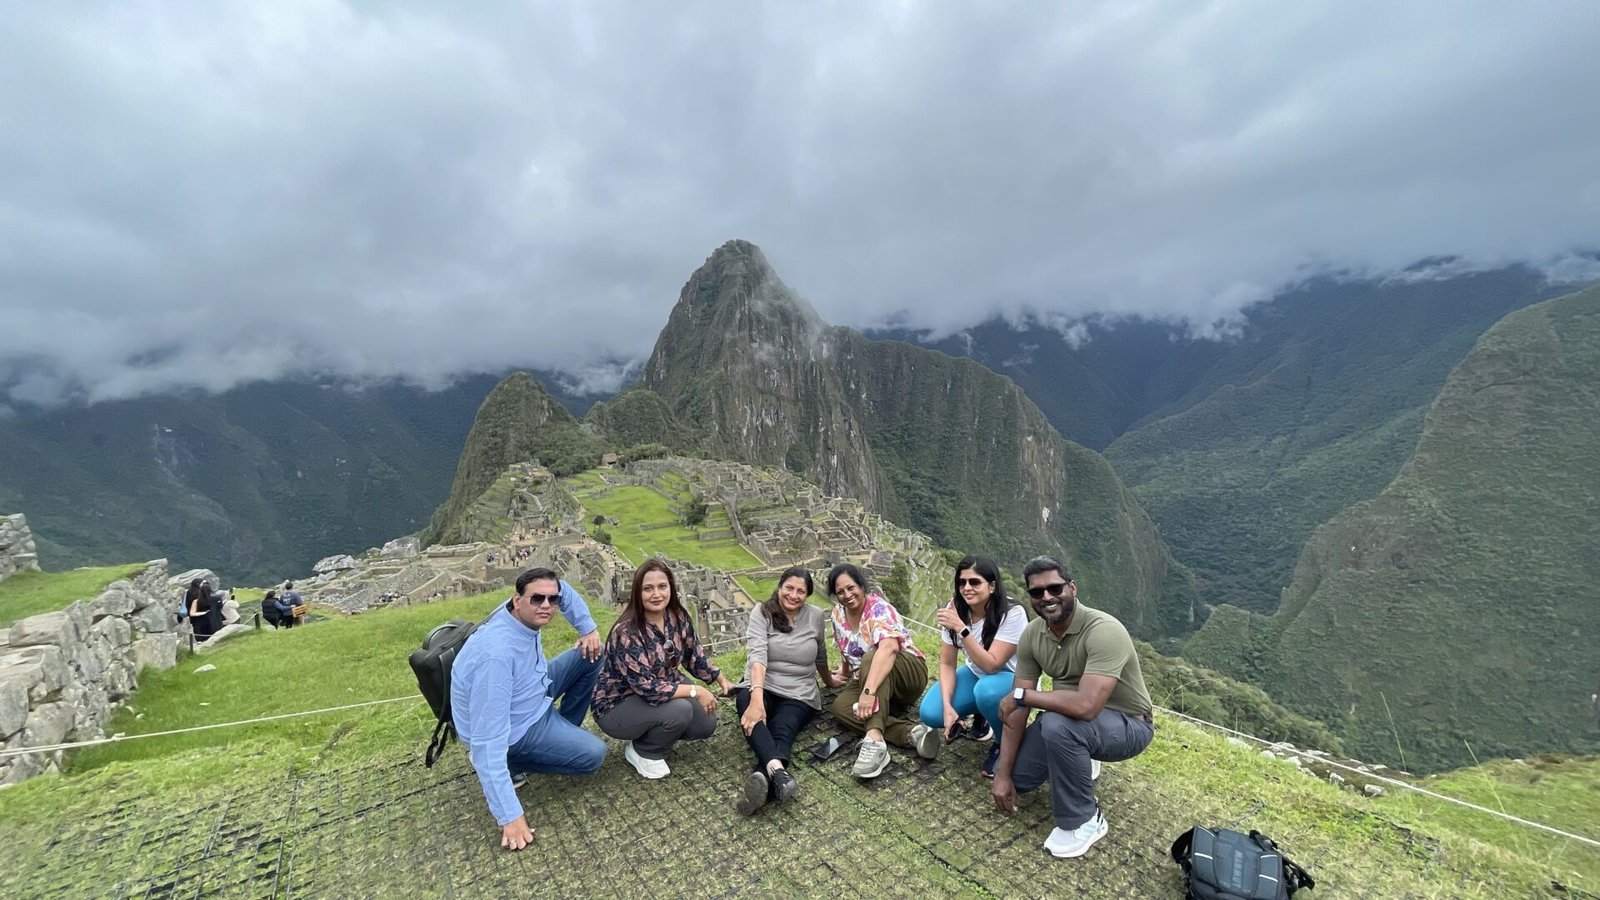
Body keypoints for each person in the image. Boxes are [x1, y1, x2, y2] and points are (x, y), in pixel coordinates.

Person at [990, 556, 1155, 860]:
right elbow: (1017, 708)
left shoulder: (1104, 630)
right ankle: (1079, 756)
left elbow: (1086, 706)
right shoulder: (1033, 635)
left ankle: (1085, 818)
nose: (1046, 597)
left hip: (1128, 724)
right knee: (1018, 778)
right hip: (1071, 717)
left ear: (1072, 588)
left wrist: (1023, 696)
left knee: (1058, 726)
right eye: (1037, 592)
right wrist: (1002, 774)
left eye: (1055, 588)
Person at [450, 567, 606, 851]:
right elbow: (487, 740)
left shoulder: (516, 610)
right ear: (517, 599)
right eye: (537, 599)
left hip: (533, 690)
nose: (546, 605)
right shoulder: (496, 657)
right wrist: (510, 816)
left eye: (552, 599)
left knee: (593, 652)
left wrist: (588, 629)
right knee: (593, 755)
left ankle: (560, 733)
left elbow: (563, 589)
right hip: (518, 727)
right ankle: (514, 763)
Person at [593, 560, 734, 779]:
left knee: (705, 723)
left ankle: (653, 730)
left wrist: (720, 678)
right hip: (618, 703)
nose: (656, 594)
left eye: (662, 586)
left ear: (671, 588)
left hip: (663, 686)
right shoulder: (627, 632)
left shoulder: (677, 617)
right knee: (680, 711)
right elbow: (647, 688)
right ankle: (644, 752)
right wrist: (695, 690)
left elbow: (694, 655)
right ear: (637, 592)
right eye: (648, 589)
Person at [732, 566, 840, 815]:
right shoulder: (762, 612)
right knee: (746, 701)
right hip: (764, 683)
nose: (793, 595)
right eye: (789, 588)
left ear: (808, 594)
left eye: (801, 591)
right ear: (779, 587)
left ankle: (764, 774)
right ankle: (778, 773)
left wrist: (829, 681)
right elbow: (757, 656)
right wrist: (756, 700)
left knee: (783, 728)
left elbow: (820, 653)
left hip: (799, 691)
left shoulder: (815, 615)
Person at [918, 555, 1026, 777]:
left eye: (975, 582)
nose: (967, 588)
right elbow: (947, 663)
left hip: (1012, 679)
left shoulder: (1012, 613)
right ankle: (982, 716)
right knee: (931, 713)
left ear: (992, 586)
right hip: (976, 674)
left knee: (986, 691)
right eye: (962, 582)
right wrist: (948, 707)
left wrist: (961, 628)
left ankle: (1004, 745)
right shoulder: (955, 609)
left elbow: (992, 665)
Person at [825, 562, 930, 779]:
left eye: (851, 588)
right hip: (873, 680)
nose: (847, 595)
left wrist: (867, 693)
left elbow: (889, 648)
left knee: (872, 657)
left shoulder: (878, 609)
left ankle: (874, 741)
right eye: (840, 592)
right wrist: (844, 671)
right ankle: (910, 733)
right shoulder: (838, 614)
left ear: (862, 586)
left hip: (907, 674)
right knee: (841, 707)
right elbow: (844, 646)